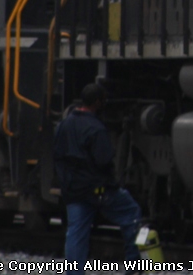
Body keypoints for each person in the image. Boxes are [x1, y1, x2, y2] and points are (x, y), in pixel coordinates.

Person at [53, 83, 142, 269]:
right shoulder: (96, 129)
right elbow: (104, 161)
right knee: (130, 212)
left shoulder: (64, 125)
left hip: (73, 189)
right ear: (97, 102)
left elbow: (57, 155)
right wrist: (111, 184)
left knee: (76, 233)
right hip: (97, 189)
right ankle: (133, 266)